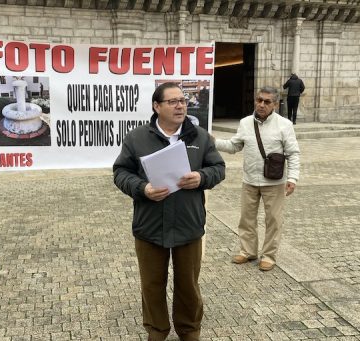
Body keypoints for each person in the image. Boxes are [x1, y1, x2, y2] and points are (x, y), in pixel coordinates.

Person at [113, 82, 225, 341]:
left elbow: (218, 168)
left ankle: (189, 330)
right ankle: (157, 329)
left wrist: (201, 176)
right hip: (149, 225)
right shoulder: (137, 138)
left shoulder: (200, 137)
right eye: (172, 101)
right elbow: (120, 172)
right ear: (156, 106)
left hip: (188, 224)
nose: (180, 106)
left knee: (188, 284)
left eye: (183, 101)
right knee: (152, 285)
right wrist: (143, 188)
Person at [214, 86, 300, 271]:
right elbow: (234, 146)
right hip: (250, 180)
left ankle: (269, 255)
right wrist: (212, 141)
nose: (261, 104)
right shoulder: (245, 122)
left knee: (273, 221)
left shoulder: (284, 125)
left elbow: (293, 153)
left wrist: (292, 178)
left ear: (275, 104)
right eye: (259, 100)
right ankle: (247, 251)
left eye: (267, 102)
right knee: (246, 219)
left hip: (274, 182)